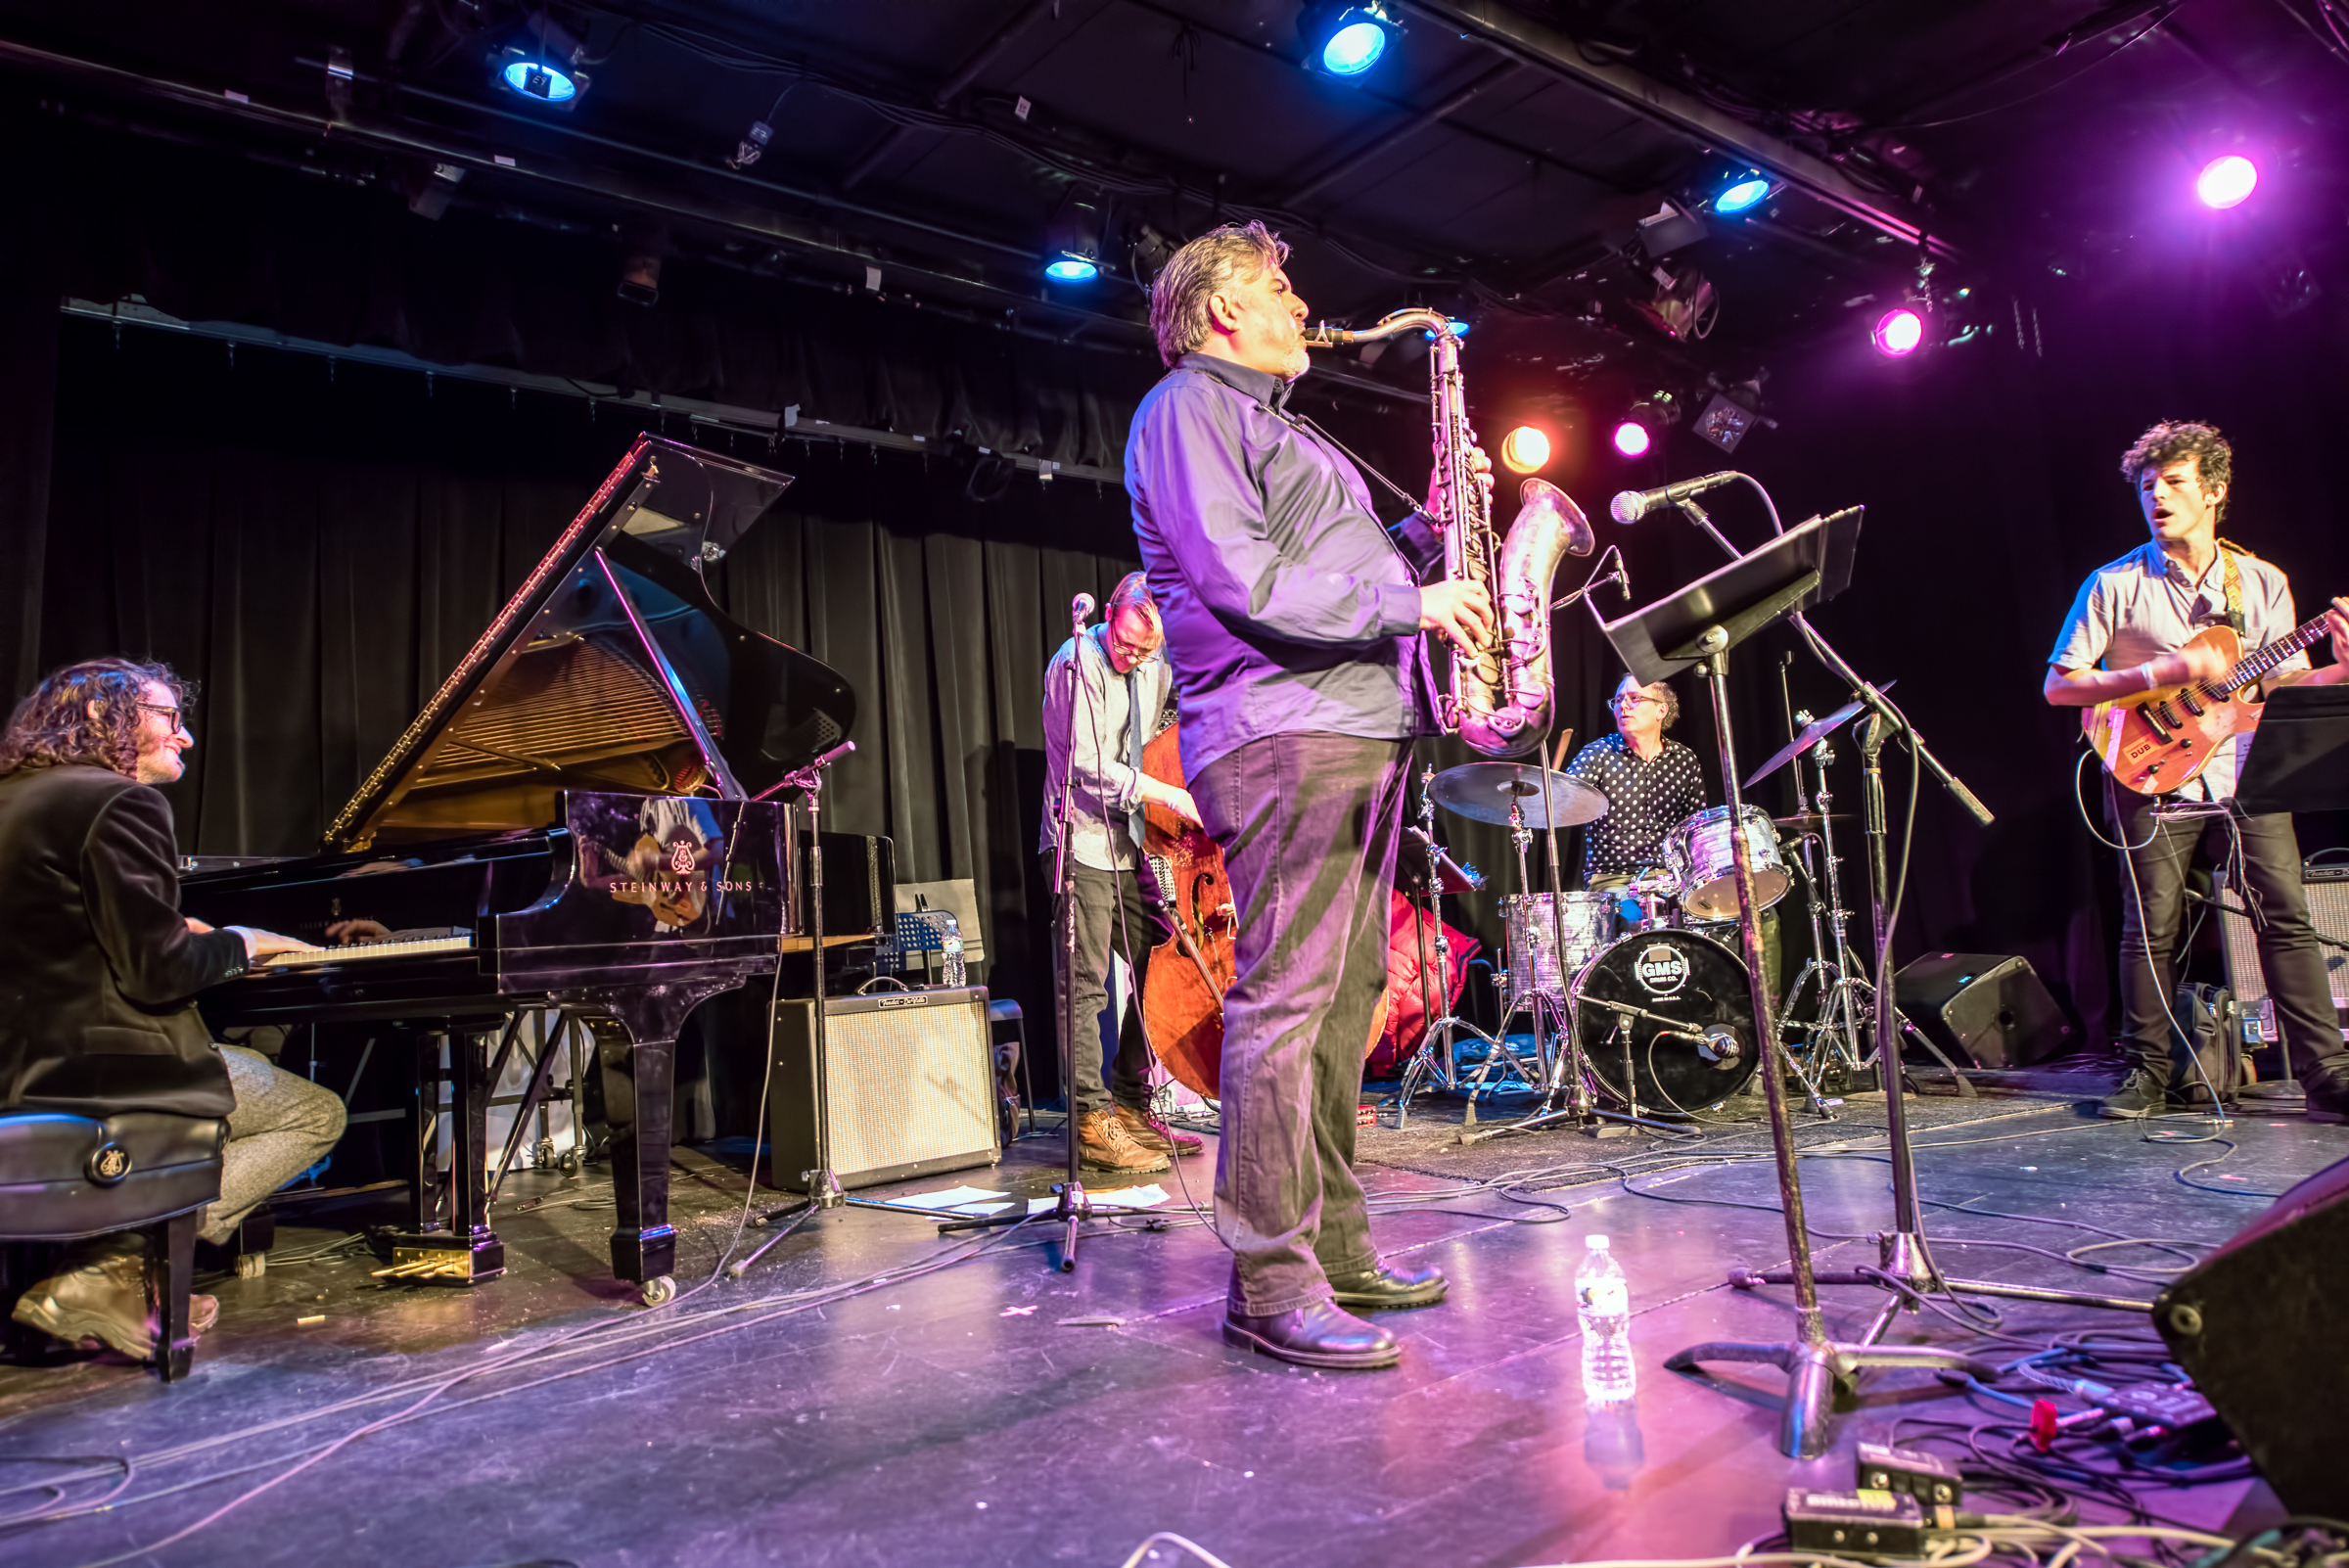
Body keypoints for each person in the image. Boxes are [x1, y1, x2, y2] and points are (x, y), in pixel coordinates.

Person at [1127, 220, 1494, 1371]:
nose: (1303, 309)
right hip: (1281, 731)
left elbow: (1328, 559)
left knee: (1348, 1000)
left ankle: (1333, 1246)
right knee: (1288, 1002)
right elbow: (1245, 578)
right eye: (1281, 290)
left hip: (1351, 726)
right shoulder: (1185, 407)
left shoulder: (1281, 431)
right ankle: (1268, 1282)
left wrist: (1428, 533)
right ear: (1222, 310)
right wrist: (1413, 605)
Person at [0, 659, 344, 1361]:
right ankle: (120, 1268)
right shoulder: (120, 801)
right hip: (105, 1068)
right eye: (169, 718)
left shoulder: (19, 799)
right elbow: (158, 974)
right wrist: (239, 943)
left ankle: (111, 1263)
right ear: (101, 717)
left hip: (21, 1060)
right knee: (315, 1111)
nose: (185, 738)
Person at [2045, 422, 2349, 1120]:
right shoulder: (2114, 583)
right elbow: (2060, 686)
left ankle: (2326, 1075)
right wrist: (2168, 670)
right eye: (2149, 486)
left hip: (2245, 770)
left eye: (2176, 482)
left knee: (2286, 918)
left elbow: (2281, 685)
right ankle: (2147, 1073)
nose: (2159, 495)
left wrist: (2340, 669)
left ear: (2213, 491)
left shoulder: (2263, 580)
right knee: (2149, 928)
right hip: (2153, 769)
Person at [1039, 571, 1207, 1176]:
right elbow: (1086, 765)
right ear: (1113, 610)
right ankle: (1089, 1120)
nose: (1130, 655)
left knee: (1161, 959)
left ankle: (1132, 1104)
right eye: (1126, 641)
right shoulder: (1076, 662)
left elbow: (1155, 736)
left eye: (1144, 651)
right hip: (1078, 841)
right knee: (1086, 985)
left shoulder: (1155, 666)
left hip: (1129, 843)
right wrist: (1166, 793)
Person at [1565, 674, 1706, 889]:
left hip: (1673, 877)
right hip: (1613, 879)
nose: (1624, 706)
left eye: (1635, 698)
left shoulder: (1684, 759)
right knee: (1636, 920)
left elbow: (1696, 826)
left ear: (1662, 710)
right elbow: (1564, 798)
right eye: (1619, 700)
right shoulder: (1597, 754)